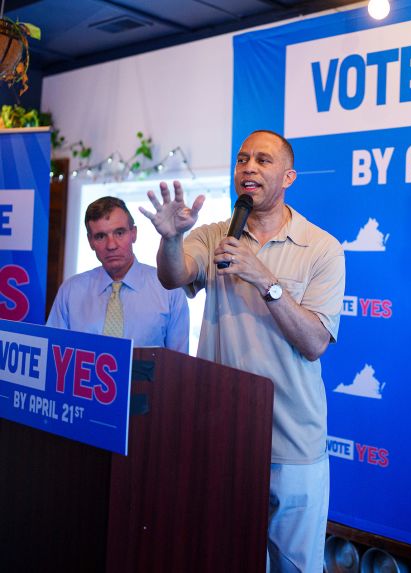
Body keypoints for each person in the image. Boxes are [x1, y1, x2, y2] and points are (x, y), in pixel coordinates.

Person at [140, 130, 345, 572]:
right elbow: (174, 276)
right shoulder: (217, 234)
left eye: (263, 160)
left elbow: (313, 343)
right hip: (222, 437)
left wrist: (265, 281)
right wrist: (172, 239)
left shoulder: (322, 248)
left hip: (292, 444)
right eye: (242, 159)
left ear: (288, 176)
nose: (248, 167)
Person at [47, 196, 189, 352]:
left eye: (119, 233)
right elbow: (52, 355)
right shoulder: (70, 291)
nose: (111, 245)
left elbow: (178, 366)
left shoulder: (169, 289)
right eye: (100, 236)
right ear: (90, 241)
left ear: (133, 234)